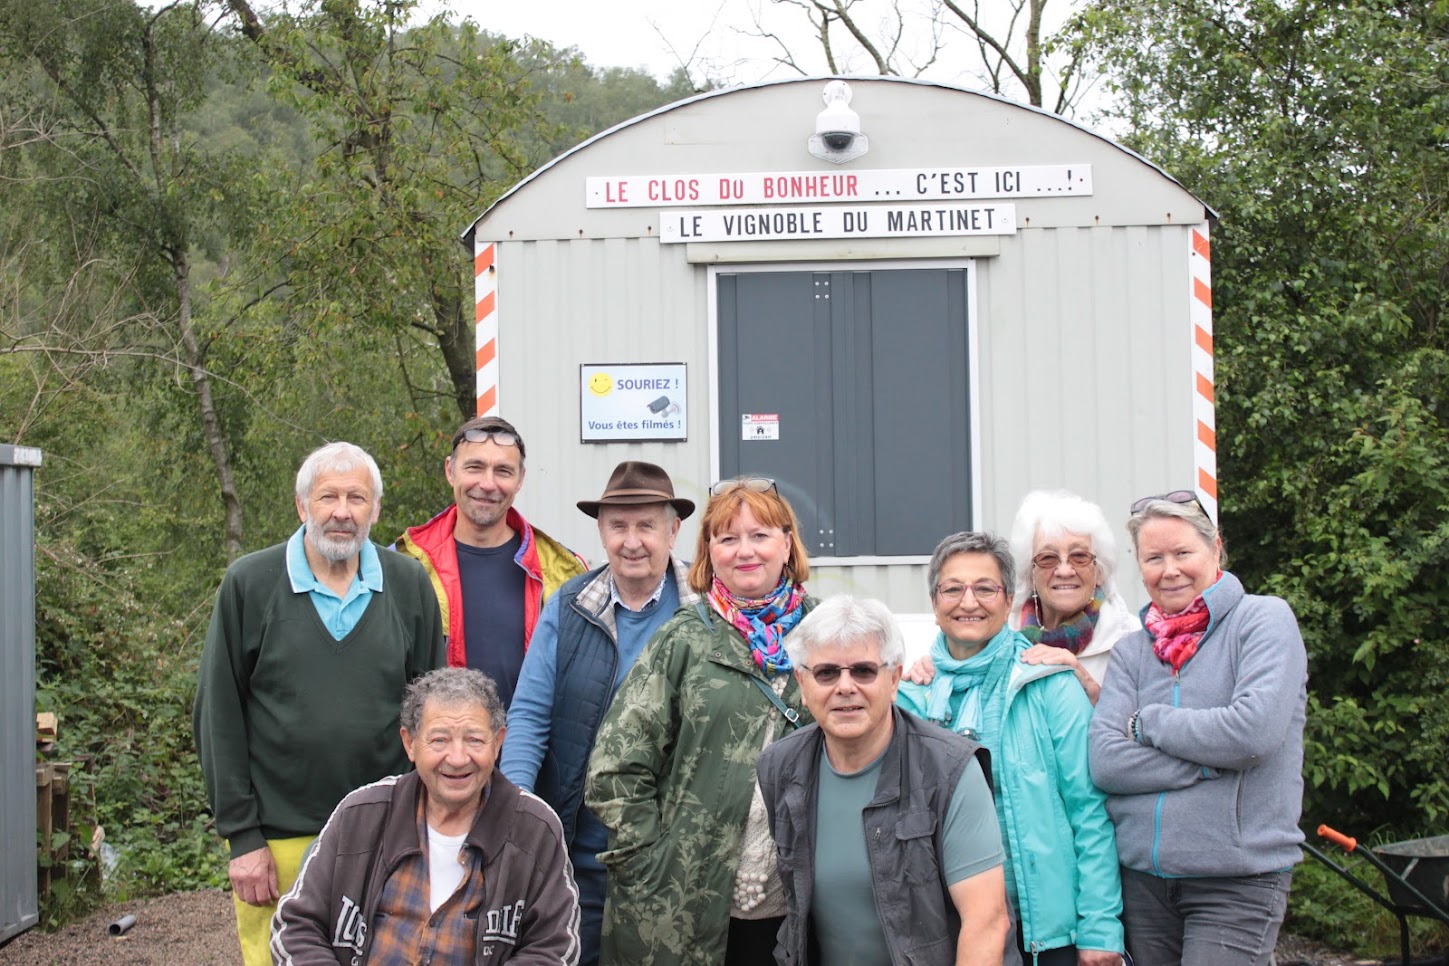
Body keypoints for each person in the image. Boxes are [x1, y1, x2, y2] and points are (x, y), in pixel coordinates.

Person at [193, 442, 445, 966]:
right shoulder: (250, 583)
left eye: (357, 498)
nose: (342, 511)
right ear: (302, 506)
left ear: (375, 511)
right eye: (327, 496)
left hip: (386, 830)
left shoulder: (408, 584)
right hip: (279, 834)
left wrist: (430, 818)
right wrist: (242, 838)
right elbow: (219, 714)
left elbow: (432, 712)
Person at [585, 477, 815, 966]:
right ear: (710, 553)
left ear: (787, 544)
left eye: (760, 535)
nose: (745, 551)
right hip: (684, 905)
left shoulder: (827, 635)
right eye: (728, 538)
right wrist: (653, 862)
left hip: (798, 906)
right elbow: (615, 770)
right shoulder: (684, 640)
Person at [1089, 491, 1307, 966]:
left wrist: (1150, 722)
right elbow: (1106, 762)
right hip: (1143, 882)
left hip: (1236, 880)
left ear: (1216, 549)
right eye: (1154, 558)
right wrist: (1209, 766)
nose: (1169, 570)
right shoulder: (1131, 650)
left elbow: (1251, 733)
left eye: (1182, 553)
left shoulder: (1263, 621)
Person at [501, 460, 698, 966]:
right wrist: (521, 808)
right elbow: (528, 716)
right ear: (602, 532)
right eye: (618, 526)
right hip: (578, 856)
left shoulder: (704, 614)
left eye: (646, 526)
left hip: (671, 857)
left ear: (672, 530)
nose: (632, 541)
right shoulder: (568, 607)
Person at [898, 532, 1124, 966]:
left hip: (1046, 932)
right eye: (952, 589)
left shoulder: (1050, 684)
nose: (969, 602)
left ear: (1007, 601)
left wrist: (1101, 925)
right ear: (934, 602)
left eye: (985, 588)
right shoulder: (911, 698)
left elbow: (1091, 811)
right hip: (944, 929)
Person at [757, 595, 1016, 966]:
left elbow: (987, 921)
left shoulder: (951, 770)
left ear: (894, 678)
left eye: (864, 670)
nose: (845, 686)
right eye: (827, 672)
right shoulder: (780, 768)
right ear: (802, 681)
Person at [270, 668, 582, 964]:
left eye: (474, 739)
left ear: (498, 742)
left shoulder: (535, 830)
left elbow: (554, 948)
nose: (458, 758)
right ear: (410, 743)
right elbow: (295, 926)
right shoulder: (361, 816)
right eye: (439, 740)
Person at [395, 415, 585, 707]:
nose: (488, 484)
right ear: (450, 471)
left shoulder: (563, 571)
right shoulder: (406, 565)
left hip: (530, 751)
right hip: (440, 749)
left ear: (520, 480)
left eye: (503, 471)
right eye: (475, 467)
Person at [1008, 490, 1141, 704]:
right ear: (1030, 574)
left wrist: (1089, 688)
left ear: (1099, 571)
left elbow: (1147, 730)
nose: (1064, 570)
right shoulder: (1004, 638)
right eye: (1048, 558)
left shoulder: (1134, 640)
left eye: (1079, 556)